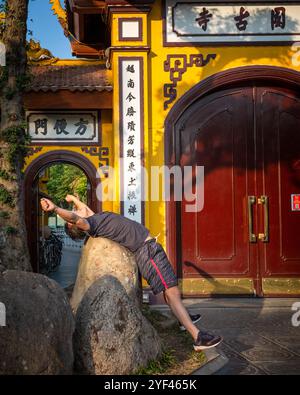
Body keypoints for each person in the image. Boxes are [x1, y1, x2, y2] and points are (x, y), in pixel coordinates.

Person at [40, 195, 222, 351]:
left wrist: (72, 199)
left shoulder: (95, 218)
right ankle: (197, 337)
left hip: (149, 249)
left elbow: (82, 209)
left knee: (170, 291)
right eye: (74, 218)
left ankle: (183, 319)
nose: (77, 209)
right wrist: (56, 208)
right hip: (147, 251)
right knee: (171, 291)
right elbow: (75, 216)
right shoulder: (91, 225)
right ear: (76, 226)